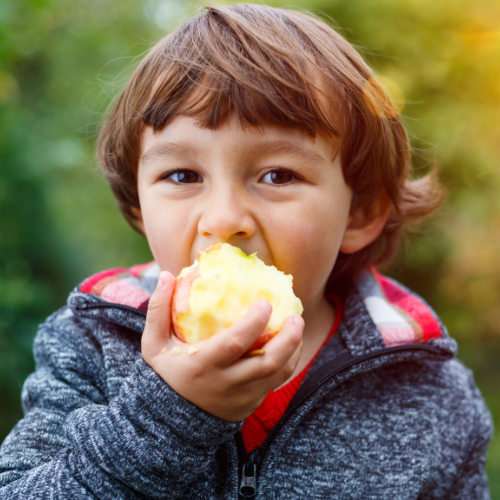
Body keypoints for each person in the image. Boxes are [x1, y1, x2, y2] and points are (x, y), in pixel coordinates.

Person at [0, 4, 492, 499]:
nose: (223, 220)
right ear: (140, 208)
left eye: (277, 175)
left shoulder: (432, 396)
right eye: (183, 176)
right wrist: (169, 415)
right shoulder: (91, 343)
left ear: (359, 213)